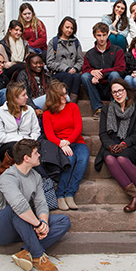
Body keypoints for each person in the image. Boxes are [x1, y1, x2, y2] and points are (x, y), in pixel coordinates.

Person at [0, 139, 71, 271]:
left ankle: (26, 252)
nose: (39, 155)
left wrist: (43, 221)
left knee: (63, 221)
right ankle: (38, 256)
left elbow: (41, 203)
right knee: (16, 209)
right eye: (36, 153)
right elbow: (19, 206)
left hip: (25, 226)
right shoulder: (8, 178)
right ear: (26, 158)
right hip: (1, 229)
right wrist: (38, 225)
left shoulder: (35, 176)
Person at [94, 80, 136, 212]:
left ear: (126, 91)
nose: (118, 94)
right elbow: (103, 134)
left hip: (130, 145)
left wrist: (123, 144)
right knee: (109, 158)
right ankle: (134, 197)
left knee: (121, 158)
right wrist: (110, 146)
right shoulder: (106, 109)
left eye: (120, 90)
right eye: (114, 92)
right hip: (110, 145)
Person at [42, 80, 90, 211]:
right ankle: (60, 195)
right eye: (61, 95)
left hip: (76, 141)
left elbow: (78, 128)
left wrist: (68, 141)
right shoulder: (47, 114)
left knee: (83, 158)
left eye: (65, 94)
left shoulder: (73, 107)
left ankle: (70, 193)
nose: (65, 97)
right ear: (54, 96)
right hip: (59, 145)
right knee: (69, 160)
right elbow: (49, 135)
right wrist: (61, 144)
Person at [0, 82, 41, 180]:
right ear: (14, 98)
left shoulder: (30, 110)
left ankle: (4, 178)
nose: (27, 97)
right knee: (16, 148)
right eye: (23, 95)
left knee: (31, 151)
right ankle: (43, 179)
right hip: (7, 147)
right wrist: (21, 140)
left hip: (29, 145)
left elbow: (36, 131)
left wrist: (29, 141)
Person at [81, 22, 125, 118]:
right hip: (97, 88)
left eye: (104, 35)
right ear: (94, 36)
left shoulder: (117, 50)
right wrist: (91, 72)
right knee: (85, 76)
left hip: (112, 87)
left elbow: (121, 69)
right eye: (99, 35)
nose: (101, 38)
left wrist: (100, 73)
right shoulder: (89, 54)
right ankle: (98, 108)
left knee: (114, 74)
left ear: (108, 34)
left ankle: (115, 106)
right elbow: (84, 70)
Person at [46, 16, 83, 102]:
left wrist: (75, 68)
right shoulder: (54, 42)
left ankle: (73, 102)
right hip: (58, 73)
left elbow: (80, 60)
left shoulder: (76, 42)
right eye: (67, 27)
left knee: (77, 76)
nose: (69, 30)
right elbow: (50, 62)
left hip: (73, 71)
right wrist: (66, 68)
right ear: (62, 27)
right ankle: (64, 100)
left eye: (72, 28)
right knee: (68, 76)